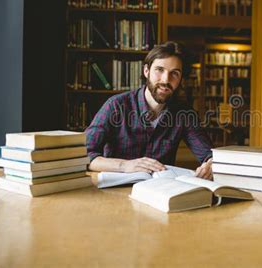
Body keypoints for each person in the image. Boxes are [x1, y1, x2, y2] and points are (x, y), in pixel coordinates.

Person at [86, 41, 214, 179]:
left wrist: (211, 165)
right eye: (159, 70)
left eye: (175, 73)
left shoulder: (184, 114)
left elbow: (209, 155)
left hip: (160, 193)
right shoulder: (116, 106)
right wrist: (125, 165)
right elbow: (84, 155)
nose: (166, 80)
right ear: (146, 71)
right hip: (116, 192)